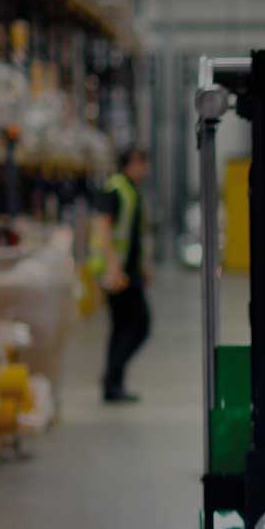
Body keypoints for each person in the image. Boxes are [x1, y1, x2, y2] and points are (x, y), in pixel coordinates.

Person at [92, 148, 152, 404]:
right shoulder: (116, 189)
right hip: (118, 274)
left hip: (129, 272)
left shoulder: (131, 190)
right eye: (144, 164)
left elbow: (136, 234)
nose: (146, 170)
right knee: (139, 325)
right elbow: (103, 228)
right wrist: (114, 268)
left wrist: (143, 267)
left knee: (122, 328)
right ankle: (111, 379)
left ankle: (113, 384)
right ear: (134, 162)